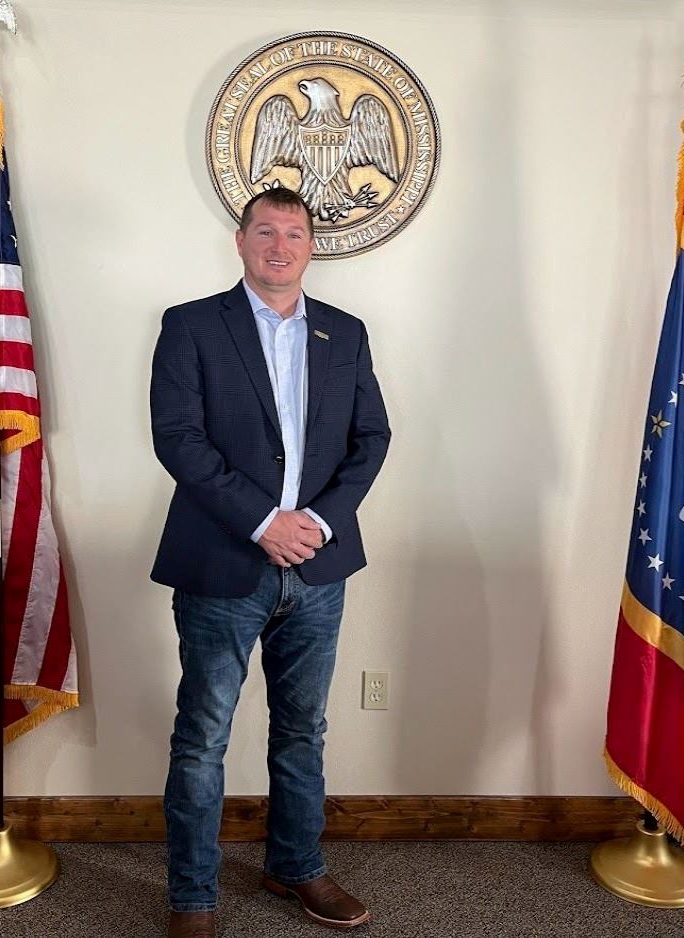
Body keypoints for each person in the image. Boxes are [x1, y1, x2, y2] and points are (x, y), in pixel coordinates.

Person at [150, 187, 391, 938]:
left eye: (294, 232)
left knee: (301, 730)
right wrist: (262, 523)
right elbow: (178, 438)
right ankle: (192, 896)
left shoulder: (345, 333)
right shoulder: (190, 326)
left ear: (312, 245)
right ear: (240, 240)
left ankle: (296, 866)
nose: (279, 245)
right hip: (223, 564)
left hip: (318, 569)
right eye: (265, 231)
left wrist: (314, 522)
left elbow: (371, 438)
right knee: (203, 735)